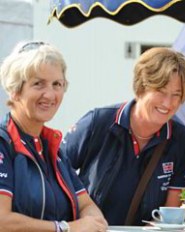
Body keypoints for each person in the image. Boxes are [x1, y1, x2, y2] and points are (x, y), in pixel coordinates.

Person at [61, 47, 185, 225]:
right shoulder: (97, 122)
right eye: (161, 91)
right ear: (141, 87)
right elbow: (57, 172)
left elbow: (171, 211)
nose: (167, 103)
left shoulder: (183, 141)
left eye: (176, 95)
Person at [0, 41, 108, 232]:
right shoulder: (4, 143)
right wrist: (64, 228)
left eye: (57, 84)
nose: (50, 94)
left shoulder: (52, 148)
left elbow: (87, 205)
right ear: (15, 90)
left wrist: (94, 222)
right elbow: (2, 220)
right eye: (38, 84)